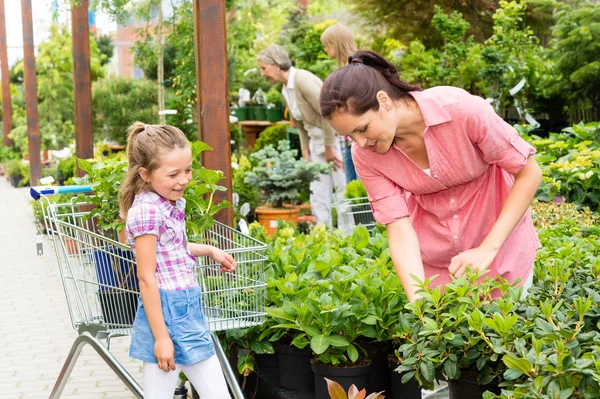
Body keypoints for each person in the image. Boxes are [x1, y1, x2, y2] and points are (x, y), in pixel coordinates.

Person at [319, 50, 542, 302]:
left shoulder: (460, 110)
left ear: (384, 101)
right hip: (439, 270)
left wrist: (486, 249)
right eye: (350, 136)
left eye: (362, 128)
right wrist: (419, 299)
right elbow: (398, 226)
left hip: (502, 253)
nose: (360, 142)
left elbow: (529, 173)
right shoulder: (365, 154)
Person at [118, 122, 235, 399]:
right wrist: (161, 338)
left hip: (182, 306)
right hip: (167, 310)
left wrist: (209, 250)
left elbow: (172, 249)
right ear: (145, 174)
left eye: (188, 170)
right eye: (173, 174)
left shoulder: (167, 203)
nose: (183, 180)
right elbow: (146, 278)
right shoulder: (147, 211)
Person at [258, 44, 353, 233]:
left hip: (334, 139)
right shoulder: (286, 88)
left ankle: (349, 236)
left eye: (263, 68)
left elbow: (329, 113)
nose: (262, 73)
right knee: (317, 192)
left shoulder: (302, 80)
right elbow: (299, 123)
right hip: (315, 142)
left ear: (276, 65)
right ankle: (323, 235)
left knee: (342, 190)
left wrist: (328, 148)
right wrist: (305, 151)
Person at [321, 23, 359, 183]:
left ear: (335, 43)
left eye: (326, 45)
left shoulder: (356, 68)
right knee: (354, 194)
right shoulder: (342, 69)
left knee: (363, 195)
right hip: (348, 142)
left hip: (360, 141)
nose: (325, 49)